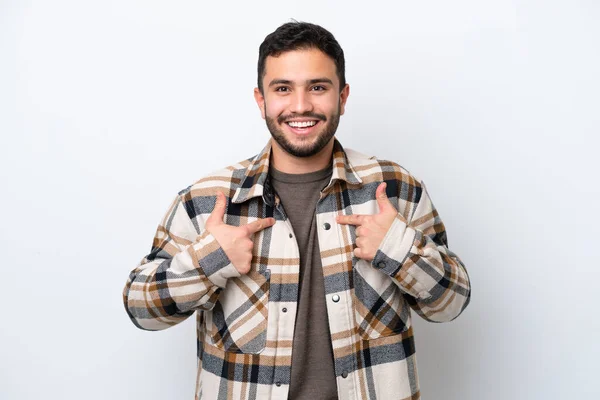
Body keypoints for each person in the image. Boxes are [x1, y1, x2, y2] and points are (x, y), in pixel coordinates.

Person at [123, 21, 471, 400]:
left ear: (343, 96)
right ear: (261, 100)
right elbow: (142, 310)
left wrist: (398, 250)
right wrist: (209, 260)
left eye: (318, 87)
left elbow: (450, 305)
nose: (301, 106)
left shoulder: (394, 189)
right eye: (283, 88)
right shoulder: (209, 200)